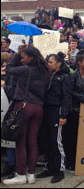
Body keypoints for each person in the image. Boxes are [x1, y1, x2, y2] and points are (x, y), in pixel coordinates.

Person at [3, 47, 49, 185]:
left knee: (20, 142)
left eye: (24, 57)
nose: (22, 60)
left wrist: (16, 54)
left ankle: (21, 174)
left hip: (23, 107)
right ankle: (31, 174)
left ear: (32, 57)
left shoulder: (25, 70)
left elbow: (9, 68)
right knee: (33, 141)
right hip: (38, 108)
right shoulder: (45, 71)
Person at [36, 53, 72, 183]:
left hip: (57, 111)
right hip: (45, 110)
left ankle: (59, 170)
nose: (48, 64)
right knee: (46, 140)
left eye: (51, 62)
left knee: (56, 141)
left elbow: (66, 97)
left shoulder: (64, 77)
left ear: (59, 63)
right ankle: (49, 167)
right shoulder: (47, 75)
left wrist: (63, 115)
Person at [63, 51, 84, 172]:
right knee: (71, 138)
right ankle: (70, 163)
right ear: (79, 62)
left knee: (81, 138)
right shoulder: (71, 76)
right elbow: (68, 93)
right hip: (73, 111)